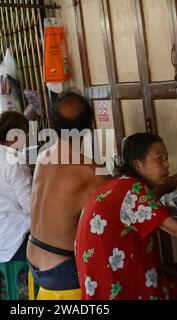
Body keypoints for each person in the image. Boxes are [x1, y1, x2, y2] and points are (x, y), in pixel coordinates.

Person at [75, 133, 177, 300]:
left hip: (99, 288)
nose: (167, 164)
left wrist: (160, 191)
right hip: (121, 289)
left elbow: (135, 212)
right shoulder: (134, 190)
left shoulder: (119, 184)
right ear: (138, 165)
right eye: (159, 159)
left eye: (166, 157)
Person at [26, 92, 110, 291]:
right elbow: (123, 208)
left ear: (53, 125)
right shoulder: (90, 171)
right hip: (61, 270)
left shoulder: (42, 157)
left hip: (32, 258)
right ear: (89, 127)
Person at [0, 111, 32, 263]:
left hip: (1, 240)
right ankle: (26, 280)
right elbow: (31, 207)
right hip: (17, 242)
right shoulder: (14, 162)